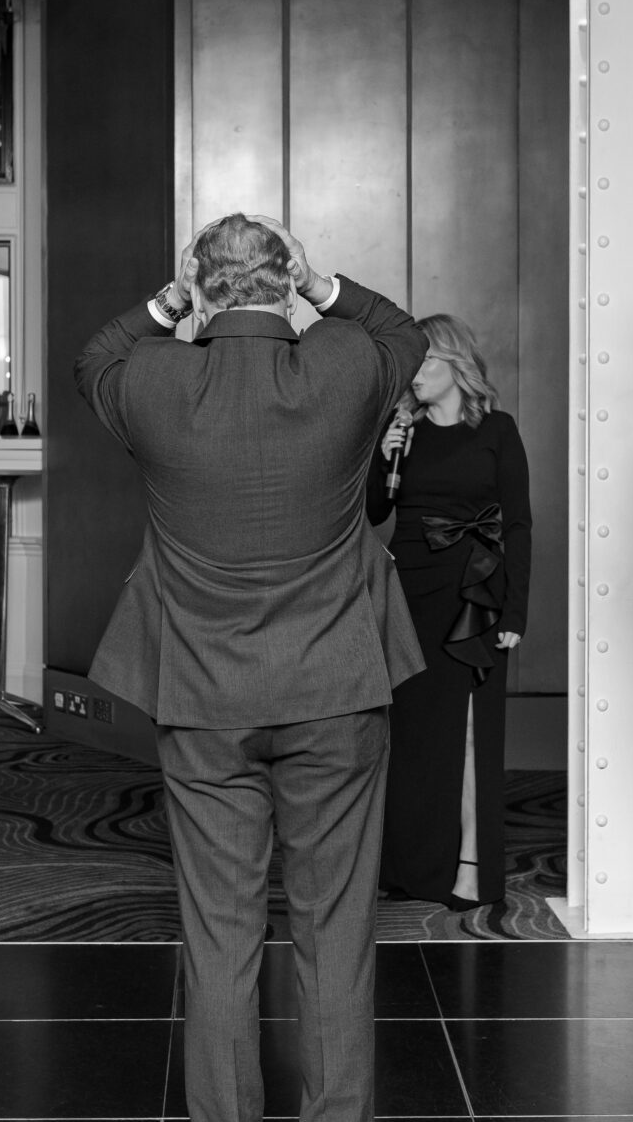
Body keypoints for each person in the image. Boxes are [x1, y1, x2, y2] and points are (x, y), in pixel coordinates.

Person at [76, 213, 426, 1122]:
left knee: (220, 934)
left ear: (201, 285)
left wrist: (168, 301)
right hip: (336, 690)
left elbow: (94, 358)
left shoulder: (153, 379)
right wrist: (322, 286)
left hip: (204, 697)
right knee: (335, 928)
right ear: (285, 279)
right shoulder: (346, 363)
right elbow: (405, 334)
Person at [364, 315, 530, 910]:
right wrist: (384, 458)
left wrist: (515, 612)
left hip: (473, 594)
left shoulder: (497, 430)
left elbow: (518, 524)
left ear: (456, 364)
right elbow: (375, 513)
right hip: (409, 591)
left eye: (425, 360)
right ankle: (410, 866)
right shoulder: (401, 429)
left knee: (467, 731)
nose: (413, 374)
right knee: (411, 732)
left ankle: (469, 868)